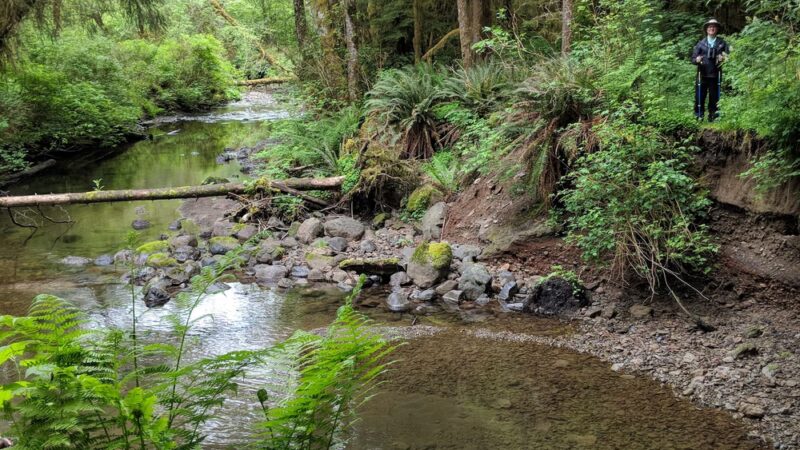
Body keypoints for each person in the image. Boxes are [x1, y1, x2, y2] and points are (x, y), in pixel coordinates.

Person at [691, 19, 730, 122]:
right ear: (706, 30)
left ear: (717, 29)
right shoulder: (700, 43)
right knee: (700, 96)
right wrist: (697, 60)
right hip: (702, 74)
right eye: (709, 27)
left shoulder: (722, 43)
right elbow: (693, 59)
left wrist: (723, 58)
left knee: (714, 97)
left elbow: (728, 57)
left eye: (714, 27)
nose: (711, 28)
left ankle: (713, 116)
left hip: (715, 74)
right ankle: (698, 116)